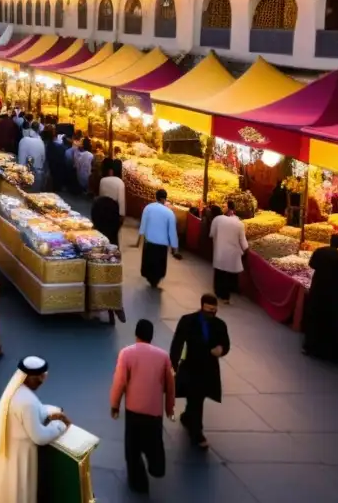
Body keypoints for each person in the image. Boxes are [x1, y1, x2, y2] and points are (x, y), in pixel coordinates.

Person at [0, 357, 71, 503]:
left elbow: (34, 412)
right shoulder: (28, 402)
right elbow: (40, 437)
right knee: (19, 490)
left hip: (8, 451)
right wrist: (59, 426)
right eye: (39, 378)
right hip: (21, 455)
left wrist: (51, 411)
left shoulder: (15, 391)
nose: (41, 382)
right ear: (29, 378)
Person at [110, 319, 175, 494]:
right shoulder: (163, 356)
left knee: (133, 449)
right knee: (154, 441)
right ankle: (156, 465)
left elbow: (120, 382)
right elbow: (170, 386)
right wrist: (170, 408)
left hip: (133, 411)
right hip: (154, 412)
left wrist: (115, 405)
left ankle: (138, 483)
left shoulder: (126, 353)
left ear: (136, 334)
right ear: (151, 336)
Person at [170, 294, 229, 449]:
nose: (212, 314)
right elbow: (177, 344)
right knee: (196, 397)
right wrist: (173, 365)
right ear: (202, 306)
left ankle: (189, 417)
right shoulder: (188, 321)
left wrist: (221, 349)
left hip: (208, 369)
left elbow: (226, 343)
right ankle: (197, 433)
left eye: (214, 311)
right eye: (209, 310)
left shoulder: (220, 325)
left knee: (197, 398)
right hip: (191, 365)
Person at [303, 234, 338, 363]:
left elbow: (312, 265)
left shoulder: (319, 252)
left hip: (318, 289)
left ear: (330, 241)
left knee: (315, 316)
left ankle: (310, 346)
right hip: (334, 294)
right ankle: (330, 352)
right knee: (332, 319)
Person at [137, 189, 179, 288]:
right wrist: (174, 248)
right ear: (164, 199)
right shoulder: (169, 213)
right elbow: (172, 232)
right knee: (159, 266)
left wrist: (138, 241)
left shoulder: (148, 208)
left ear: (156, 197)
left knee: (149, 263)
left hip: (149, 243)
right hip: (162, 246)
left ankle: (150, 278)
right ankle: (156, 280)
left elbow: (143, 225)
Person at [210, 201, 248, 303]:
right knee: (228, 275)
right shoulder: (240, 224)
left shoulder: (217, 219)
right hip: (232, 254)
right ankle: (226, 297)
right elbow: (243, 242)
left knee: (219, 273)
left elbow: (212, 234)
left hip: (220, 251)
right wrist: (246, 250)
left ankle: (218, 293)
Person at [98, 163, 126, 236]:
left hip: (102, 209)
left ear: (111, 171)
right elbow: (121, 201)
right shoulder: (120, 183)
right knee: (112, 234)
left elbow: (101, 196)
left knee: (102, 232)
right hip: (114, 212)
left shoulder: (103, 180)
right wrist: (122, 216)